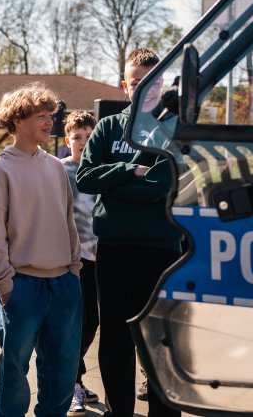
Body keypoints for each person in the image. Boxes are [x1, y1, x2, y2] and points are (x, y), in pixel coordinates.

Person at [77, 48, 183, 417]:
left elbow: (161, 186)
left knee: (161, 338)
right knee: (115, 338)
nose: (144, 89)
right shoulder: (108, 127)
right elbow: (85, 178)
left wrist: (113, 182)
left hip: (162, 248)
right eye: (137, 82)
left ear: (162, 83)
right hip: (114, 247)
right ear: (125, 86)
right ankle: (118, 410)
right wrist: (131, 170)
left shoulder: (173, 129)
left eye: (152, 82)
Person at [0, 82, 82, 417]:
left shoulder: (56, 167)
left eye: (50, 115)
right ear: (17, 120)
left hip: (63, 284)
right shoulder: (1, 171)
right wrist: (4, 284)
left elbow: (68, 221)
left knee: (62, 370)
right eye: (41, 116)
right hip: (21, 285)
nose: (49, 121)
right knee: (14, 373)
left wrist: (74, 268)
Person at [60, 111, 100, 417]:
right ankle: (71, 385)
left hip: (102, 257)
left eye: (88, 136)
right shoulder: (61, 170)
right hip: (76, 260)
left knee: (93, 322)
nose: (83, 142)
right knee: (76, 323)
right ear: (67, 140)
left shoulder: (102, 169)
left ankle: (76, 377)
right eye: (77, 137)